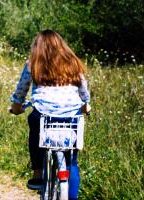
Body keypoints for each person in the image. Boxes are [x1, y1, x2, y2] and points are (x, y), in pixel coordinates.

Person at [9, 30, 91, 200]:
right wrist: (86, 106)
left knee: (33, 121)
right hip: (71, 116)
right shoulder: (73, 63)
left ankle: (38, 172)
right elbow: (84, 92)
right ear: (61, 45)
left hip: (43, 114)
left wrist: (17, 107)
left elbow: (21, 90)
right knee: (71, 162)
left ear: (37, 47)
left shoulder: (33, 63)